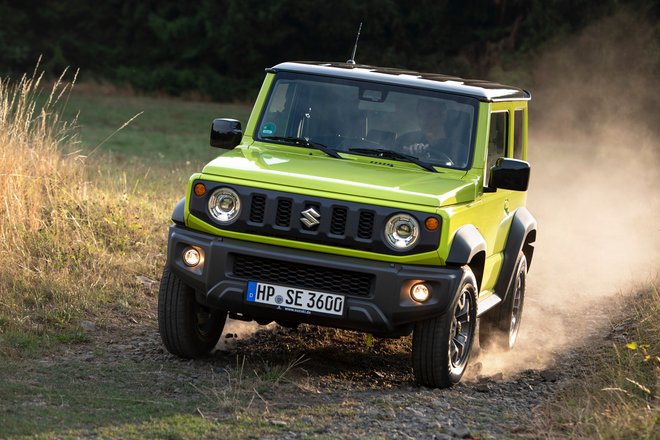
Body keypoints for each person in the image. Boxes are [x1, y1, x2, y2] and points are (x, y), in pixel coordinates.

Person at [397, 99, 455, 165]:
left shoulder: (457, 148)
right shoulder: (404, 140)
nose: (423, 121)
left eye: (430, 116)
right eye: (420, 116)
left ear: (443, 116)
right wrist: (409, 155)